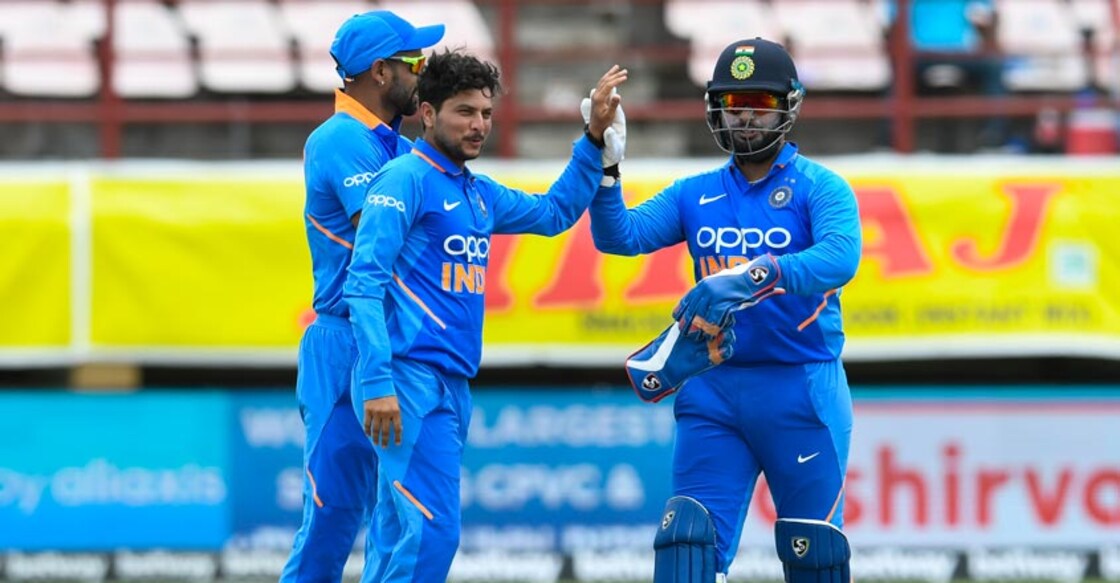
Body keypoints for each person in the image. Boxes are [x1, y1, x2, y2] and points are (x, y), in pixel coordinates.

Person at [343, 50, 627, 582]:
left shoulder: (477, 192)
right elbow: (363, 284)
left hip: (451, 384)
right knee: (432, 531)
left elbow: (553, 213)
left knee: (395, 531)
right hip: (405, 380)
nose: (479, 126)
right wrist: (378, 380)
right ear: (427, 114)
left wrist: (592, 142)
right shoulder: (403, 179)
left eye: (486, 114)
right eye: (464, 112)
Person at [589, 39, 862, 582]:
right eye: (733, 100)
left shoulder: (820, 188)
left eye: (759, 102)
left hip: (801, 389)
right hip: (713, 388)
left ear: (790, 105)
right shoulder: (697, 192)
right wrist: (605, 163)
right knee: (685, 542)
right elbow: (619, 236)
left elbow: (839, 258)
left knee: (815, 555)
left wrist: (751, 276)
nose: (743, 114)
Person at [281, 10, 445, 583]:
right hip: (344, 339)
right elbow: (390, 239)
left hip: (387, 340)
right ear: (381, 72)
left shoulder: (392, 144)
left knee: (393, 517)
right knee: (331, 518)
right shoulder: (339, 140)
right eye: (415, 63)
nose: (423, 74)